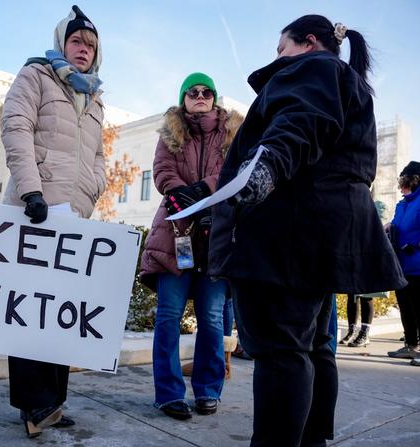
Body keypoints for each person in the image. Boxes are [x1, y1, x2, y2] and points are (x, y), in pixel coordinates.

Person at [208, 15, 406, 447]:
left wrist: (264, 168)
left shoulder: (313, 68)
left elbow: (301, 121)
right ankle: (312, 440)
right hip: (320, 232)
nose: (277, 58)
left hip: (287, 232)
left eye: (281, 49)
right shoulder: (346, 80)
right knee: (314, 348)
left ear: (308, 42)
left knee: (281, 352)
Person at [0, 5, 105, 438]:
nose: (83, 50)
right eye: (77, 41)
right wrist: (31, 190)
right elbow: (15, 126)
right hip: (36, 209)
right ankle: (33, 403)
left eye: (91, 46)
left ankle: (53, 402)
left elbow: (97, 156)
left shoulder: (95, 97)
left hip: (72, 218)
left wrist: (93, 189)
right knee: (30, 309)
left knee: (60, 312)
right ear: (63, 41)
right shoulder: (36, 76)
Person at [139, 72, 242, 419]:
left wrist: (203, 190)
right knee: (168, 316)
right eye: (192, 92)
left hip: (217, 237)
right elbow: (161, 171)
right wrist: (180, 193)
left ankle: (208, 389)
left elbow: (235, 171)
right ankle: (168, 393)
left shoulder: (232, 132)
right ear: (183, 98)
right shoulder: (170, 133)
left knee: (213, 318)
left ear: (214, 97)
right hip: (177, 234)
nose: (200, 96)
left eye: (206, 91)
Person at [387, 161, 420, 364]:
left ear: (414, 182)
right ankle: (411, 345)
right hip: (401, 266)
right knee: (406, 308)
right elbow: (395, 224)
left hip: (418, 266)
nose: (401, 188)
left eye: (404, 183)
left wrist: (415, 244)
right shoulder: (402, 204)